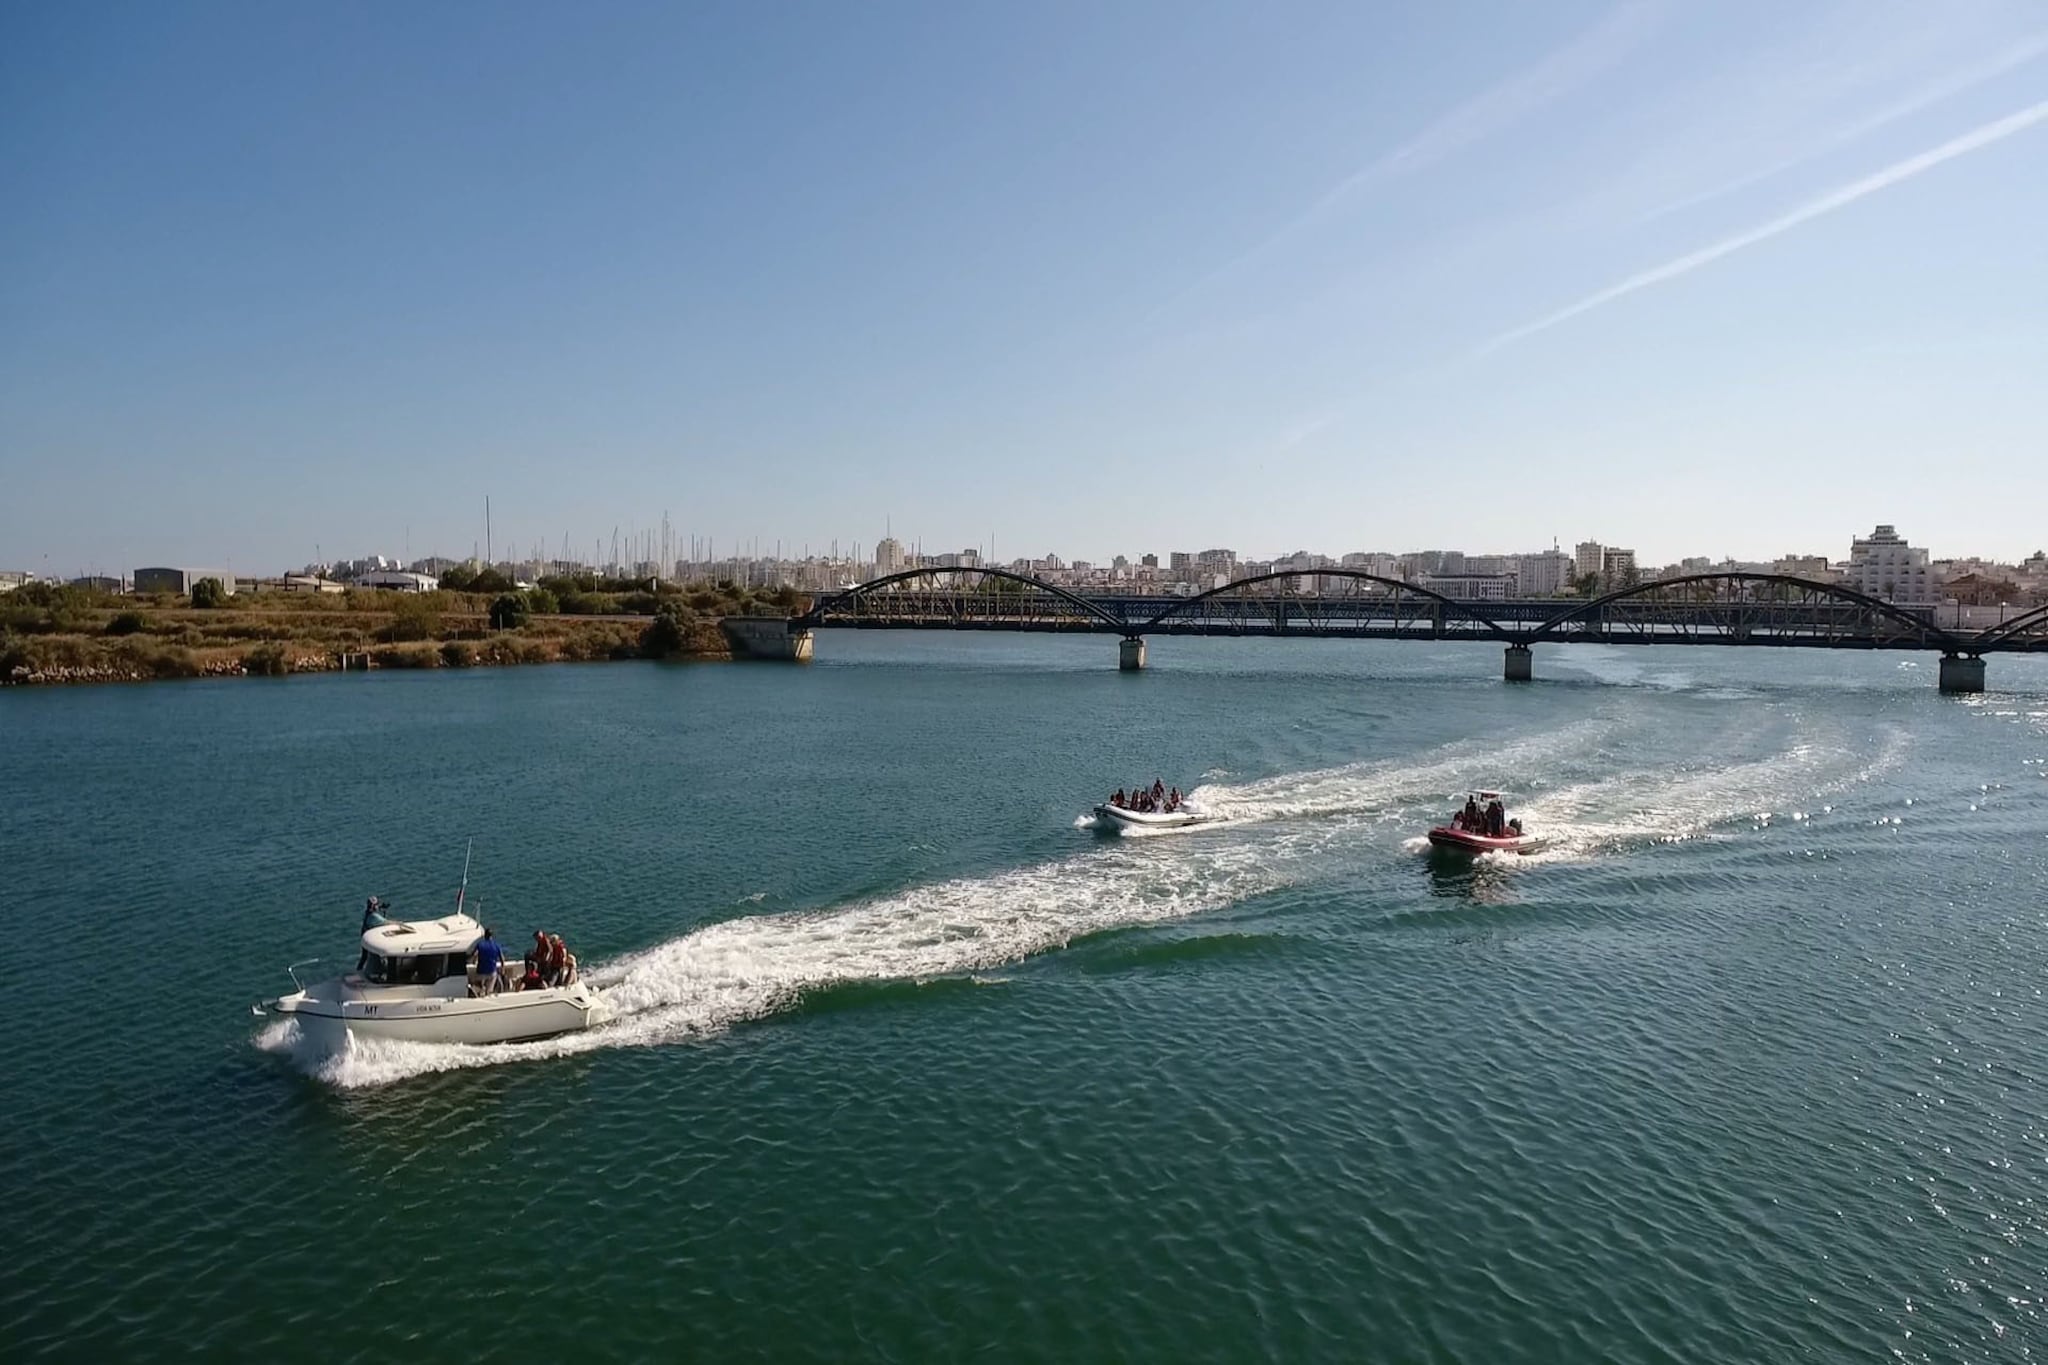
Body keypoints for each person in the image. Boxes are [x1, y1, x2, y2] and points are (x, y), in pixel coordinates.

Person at [471, 926, 504, 996]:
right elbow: (502, 958)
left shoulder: (480, 944)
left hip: (481, 972)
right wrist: (502, 968)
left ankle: (480, 989)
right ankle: (487, 992)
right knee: (489, 989)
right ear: (491, 936)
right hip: (492, 972)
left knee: (475, 983)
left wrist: (474, 961)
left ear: (484, 935)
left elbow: (474, 954)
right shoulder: (496, 945)